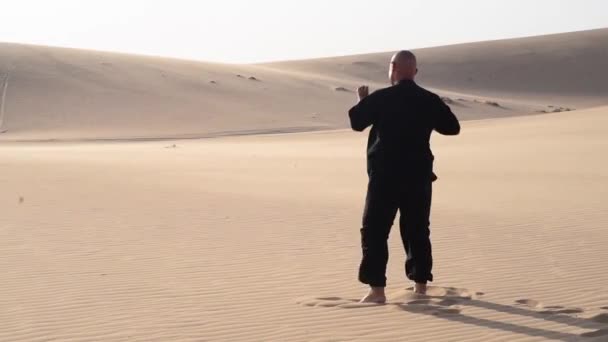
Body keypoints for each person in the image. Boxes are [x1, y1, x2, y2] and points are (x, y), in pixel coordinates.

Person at [348, 50, 460, 303]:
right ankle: (420, 287)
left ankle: (377, 291)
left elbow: (357, 122)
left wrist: (361, 100)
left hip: (385, 177)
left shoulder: (382, 98)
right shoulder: (428, 99)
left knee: (375, 230)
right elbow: (452, 128)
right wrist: (437, 106)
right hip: (418, 177)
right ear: (415, 72)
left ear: (393, 68)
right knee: (417, 230)